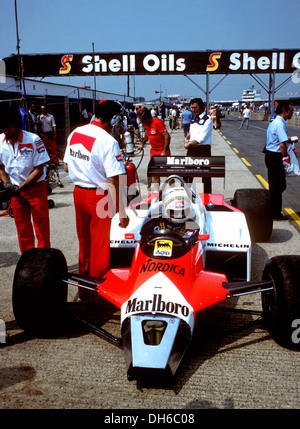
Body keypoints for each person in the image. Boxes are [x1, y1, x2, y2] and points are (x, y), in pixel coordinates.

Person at [63, 100, 129, 298]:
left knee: (85, 243)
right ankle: (98, 292)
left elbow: (66, 167)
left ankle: (84, 288)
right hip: (100, 196)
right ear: (114, 119)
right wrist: (123, 212)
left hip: (78, 193)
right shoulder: (109, 141)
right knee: (100, 247)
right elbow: (114, 179)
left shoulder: (76, 132)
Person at [0, 105, 51, 253]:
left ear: (16, 125)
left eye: (8, 128)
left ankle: (43, 260)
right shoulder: (0, 142)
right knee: (23, 230)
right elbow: (1, 167)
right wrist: (7, 184)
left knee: (41, 229)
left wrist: (20, 188)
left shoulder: (34, 139)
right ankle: (27, 260)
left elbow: (39, 170)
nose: (6, 132)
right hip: (15, 192)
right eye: (2, 129)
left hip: (35, 189)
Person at [264, 100, 298, 220]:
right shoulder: (279, 123)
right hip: (275, 156)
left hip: (270, 155)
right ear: (284, 111)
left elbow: (281, 140)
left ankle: (272, 210)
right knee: (278, 186)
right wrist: (285, 160)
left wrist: (289, 140)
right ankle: (275, 213)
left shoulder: (276, 121)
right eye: (291, 110)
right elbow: (282, 145)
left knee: (276, 185)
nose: (292, 113)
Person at [184, 98, 213, 193]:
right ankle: (184, 195)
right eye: (192, 108)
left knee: (206, 176)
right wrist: (186, 138)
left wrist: (188, 144)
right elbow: (191, 133)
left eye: (195, 107)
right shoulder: (193, 119)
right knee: (187, 174)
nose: (193, 110)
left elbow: (201, 138)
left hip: (203, 149)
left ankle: (207, 198)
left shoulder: (207, 120)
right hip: (192, 149)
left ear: (201, 107)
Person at [137, 107, 171, 191]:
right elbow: (147, 134)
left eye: (142, 121)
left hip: (163, 150)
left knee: (168, 172)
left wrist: (164, 151)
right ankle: (157, 192)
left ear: (148, 118)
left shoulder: (157, 122)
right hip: (154, 151)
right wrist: (142, 143)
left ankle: (173, 189)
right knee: (155, 173)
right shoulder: (146, 123)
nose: (142, 123)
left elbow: (167, 136)